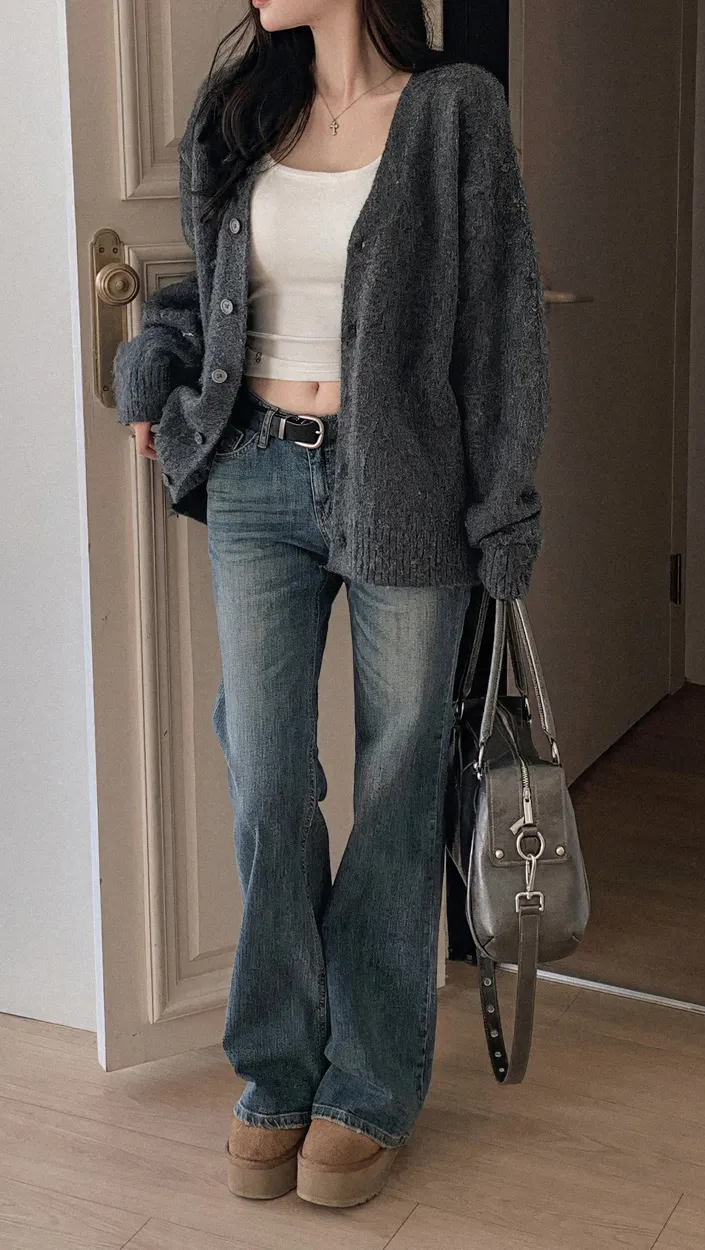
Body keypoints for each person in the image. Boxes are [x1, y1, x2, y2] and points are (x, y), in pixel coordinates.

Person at [112, 0, 549, 1210]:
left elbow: (503, 326)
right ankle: (277, 1065)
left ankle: (367, 1083)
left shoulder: (453, 113)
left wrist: (503, 513)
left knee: (398, 782)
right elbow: (200, 292)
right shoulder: (241, 111)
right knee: (265, 777)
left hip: (405, 482)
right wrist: (152, 367)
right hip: (254, 467)